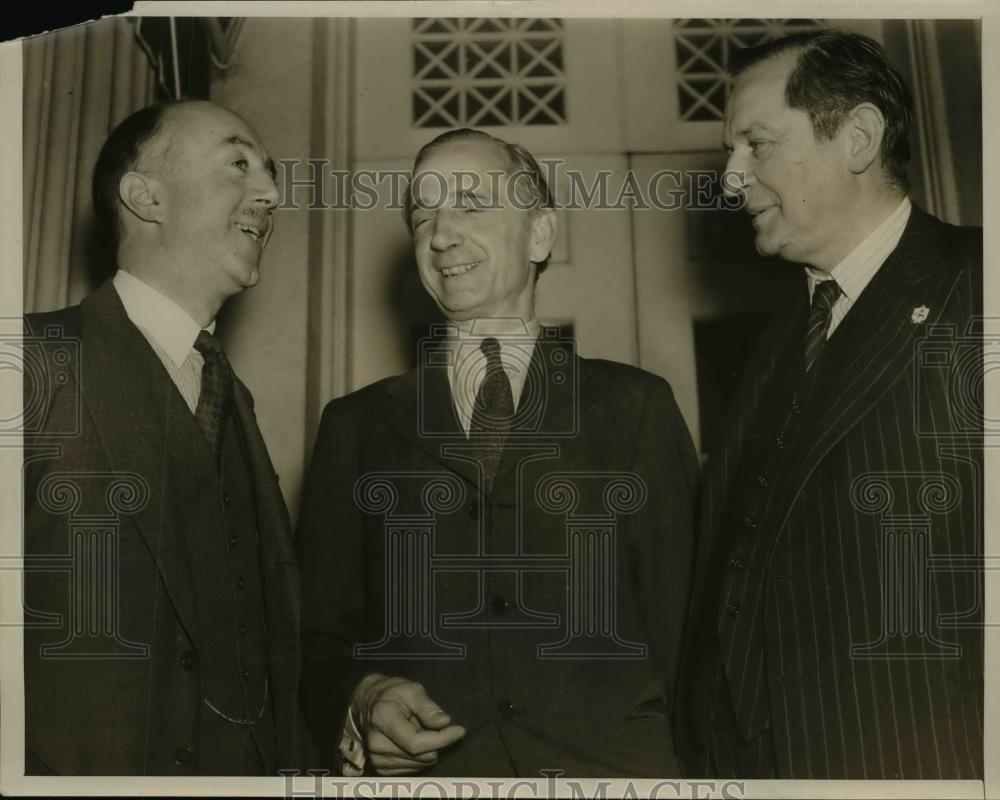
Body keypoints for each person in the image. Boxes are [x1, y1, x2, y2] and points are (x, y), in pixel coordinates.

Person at [297, 128, 699, 777]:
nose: (441, 234)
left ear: (541, 235)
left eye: (470, 206)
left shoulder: (635, 407)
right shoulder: (356, 426)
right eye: (422, 214)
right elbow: (315, 641)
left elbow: (686, 633)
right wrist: (361, 695)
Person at [675, 30, 982, 779]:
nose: (730, 179)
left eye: (756, 144)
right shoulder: (781, 333)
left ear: (858, 138)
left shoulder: (977, 286)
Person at [23, 100, 311, 775]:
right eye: (239, 163)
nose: (270, 193)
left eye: (268, 174)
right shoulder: (32, 359)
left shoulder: (231, 396)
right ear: (144, 196)